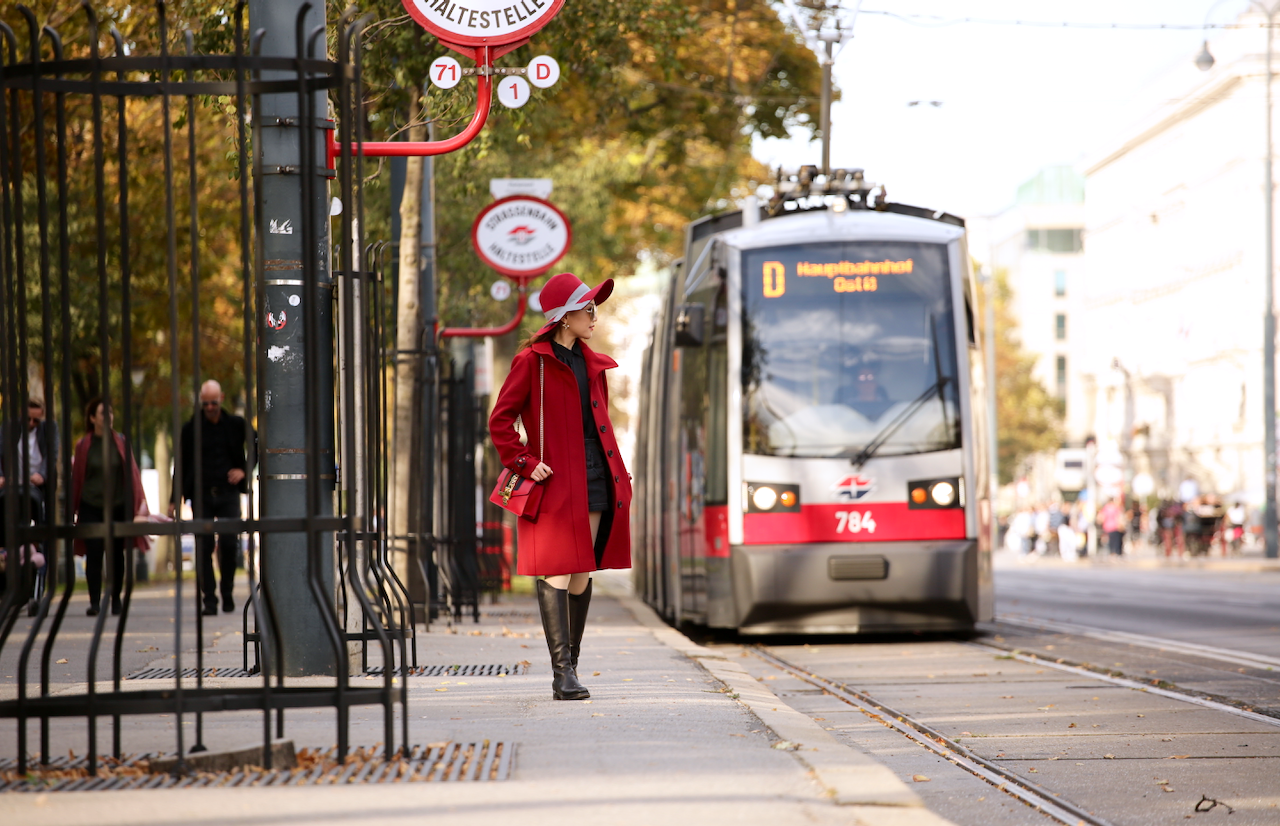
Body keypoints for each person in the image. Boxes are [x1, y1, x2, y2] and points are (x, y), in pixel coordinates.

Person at [489, 272, 632, 701]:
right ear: (563, 317)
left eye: (594, 307)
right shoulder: (531, 361)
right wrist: (524, 462)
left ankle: (573, 663)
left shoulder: (593, 364)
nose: (594, 315)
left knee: (581, 569)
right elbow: (500, 421)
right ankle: (561, 673)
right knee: (558, 565)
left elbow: (599, 424)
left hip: (594, 473)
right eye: (587, 308)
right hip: (554, 477)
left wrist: (617, 472)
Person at [171, 380, 254, 616]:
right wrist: (174, 499)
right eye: (205, 403)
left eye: (213, 402)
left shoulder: (236, 424)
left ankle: (226, 591)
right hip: (201, 495)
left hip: (228, 494)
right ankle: (209, 599)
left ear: (222, 399)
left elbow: (257, 444)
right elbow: (182, 464)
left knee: (229, 543)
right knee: (203, 545)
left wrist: (245, 471)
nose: (209, 407)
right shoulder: (191, 429)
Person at [71, 398, 151, 616]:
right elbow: (77, 477)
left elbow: (132, 475)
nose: (108, 417)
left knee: (116, 555)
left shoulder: (121, 442)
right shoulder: (83, 445)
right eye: (102, 413)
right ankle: (95, 602)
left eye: (111, 413)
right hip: (91, 506)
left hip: (117, 506)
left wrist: (137, 504)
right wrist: (73, 507)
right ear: (92, 418)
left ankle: (116, 600)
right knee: (94, 554)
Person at [0, 397, 59, 521]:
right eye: (27, 419)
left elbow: (52, 453)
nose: (31, 423)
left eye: (36, 420)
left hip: (40, 484)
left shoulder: (48, 428)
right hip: (15, 483)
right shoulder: (9, 427)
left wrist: (42, 475)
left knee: (44, 520)